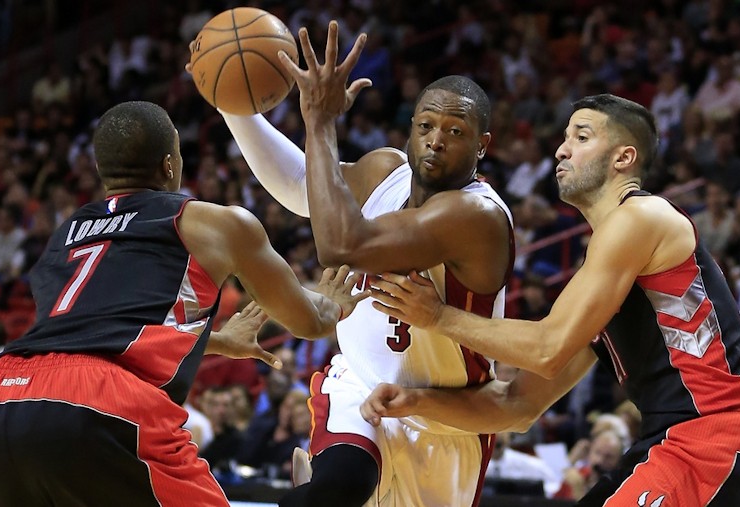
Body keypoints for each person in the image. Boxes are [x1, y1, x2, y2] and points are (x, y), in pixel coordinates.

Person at [363, 94, 740, 506]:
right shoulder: (605, 274)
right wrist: (417, 401)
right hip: (671, 440)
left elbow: (547, 349)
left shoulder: (642, 217)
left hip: (713, 435)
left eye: (581, 137)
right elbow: (517, 404)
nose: (562, 150)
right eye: (564, 137)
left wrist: (437, 316)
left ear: (623, 158)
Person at [0, 100, 367, 507]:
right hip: (99, 405)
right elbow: (309, 321)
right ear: (168, 165)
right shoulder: (211, 222)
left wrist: (214, 341)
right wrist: (335, 302)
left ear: (100, 169)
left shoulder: (67, 231)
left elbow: (82, 338)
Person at [208, 21, 513, 507]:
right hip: (358, 384)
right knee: (338, 487)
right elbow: (302, 186)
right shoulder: (384, 172)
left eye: (455, 132)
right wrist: (232, 102)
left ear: (482, 145)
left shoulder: (476, 215)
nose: (436, 140)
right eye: (426, 126)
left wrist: (319, 120)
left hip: (446, 419)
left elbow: (340, 244)